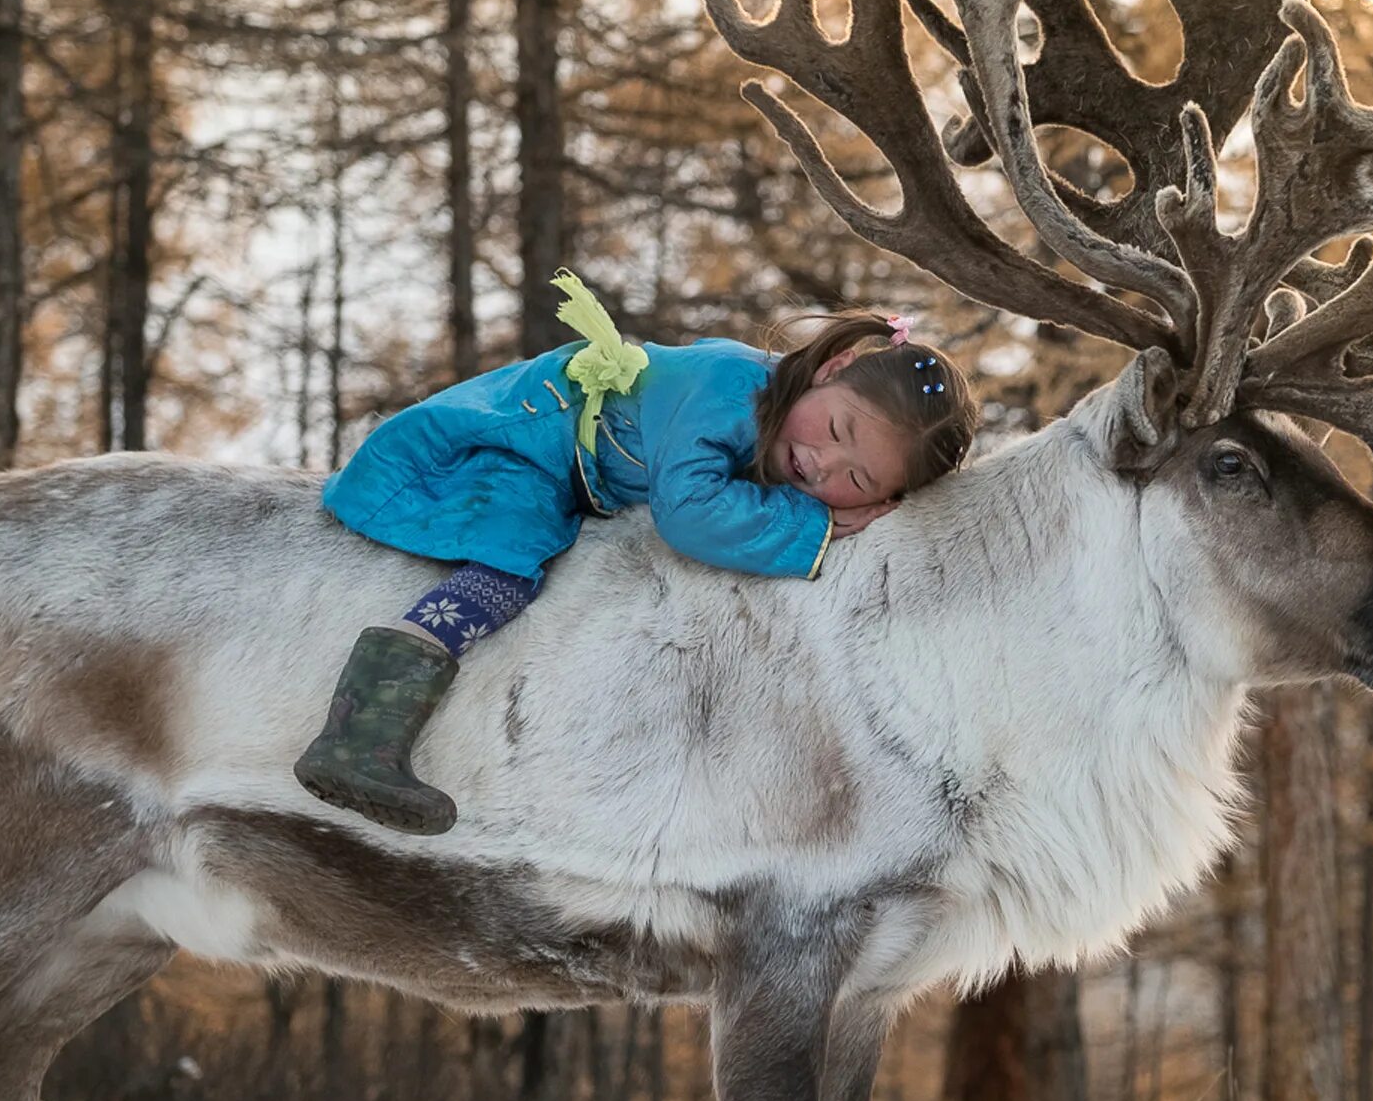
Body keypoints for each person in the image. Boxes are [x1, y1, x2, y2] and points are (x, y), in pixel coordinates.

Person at [295, 272, 979, 834]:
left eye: (854, 480)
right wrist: (820, 526)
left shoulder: (786, 423)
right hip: (530, 437)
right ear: (834, 367)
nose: (820, 462)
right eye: (835, 427)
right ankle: (359, 736)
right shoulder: (728, 386)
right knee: (513, 557)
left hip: (571, 464)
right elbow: (689, 513)